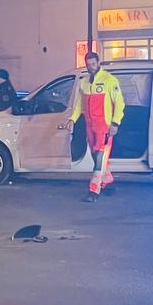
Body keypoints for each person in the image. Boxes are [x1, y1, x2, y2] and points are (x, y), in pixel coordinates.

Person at [67, 52, 125, 202]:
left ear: (98, 62)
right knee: (95, 155)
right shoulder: (84, 82)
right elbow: (79, 104)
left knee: (100, 156)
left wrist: (115, 123)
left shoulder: (109, 80)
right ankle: (108, 180)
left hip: (104, 126)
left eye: (93, 64)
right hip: (89, 125)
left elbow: (119, 103)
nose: (91, 67)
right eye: (88, 64)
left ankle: (94, 190)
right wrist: (72, 119)